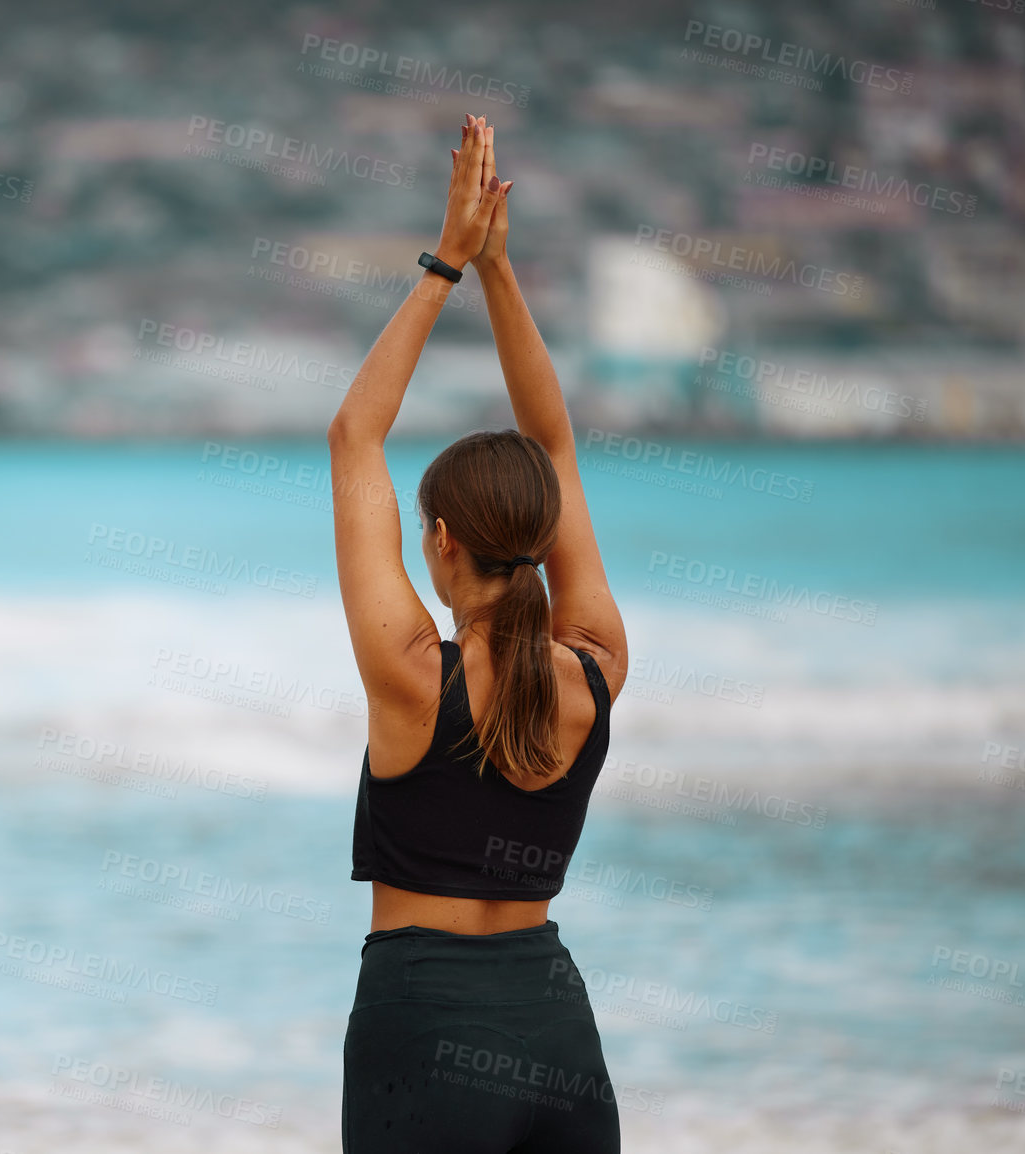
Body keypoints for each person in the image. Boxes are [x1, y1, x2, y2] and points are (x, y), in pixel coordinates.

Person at [329, 115, 629, 1153]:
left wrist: (447, 259)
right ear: (541, 539)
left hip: (426, 1028)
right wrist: (503, 274)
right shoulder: (594, 664)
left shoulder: (413, 675)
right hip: (558, 1030)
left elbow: (355, 432)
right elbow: (553, 442)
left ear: (442, 541)